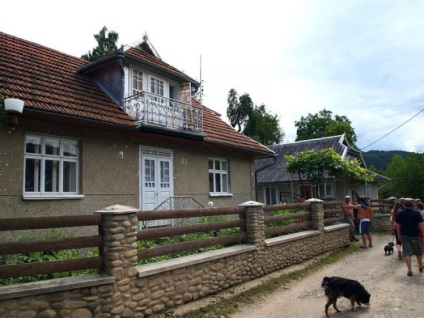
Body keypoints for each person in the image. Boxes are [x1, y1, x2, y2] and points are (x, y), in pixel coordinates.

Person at [395, 198, 424, 277]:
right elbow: (420, 224)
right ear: (413, 204)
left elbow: (397, 225)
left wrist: (398, 234)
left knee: (407, 252)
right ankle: (420, 265)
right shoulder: (416, 213)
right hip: (415, 235)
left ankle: (409, 269)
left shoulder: (401, 213)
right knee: (418, 251)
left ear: (404, 204)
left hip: (404, 235)